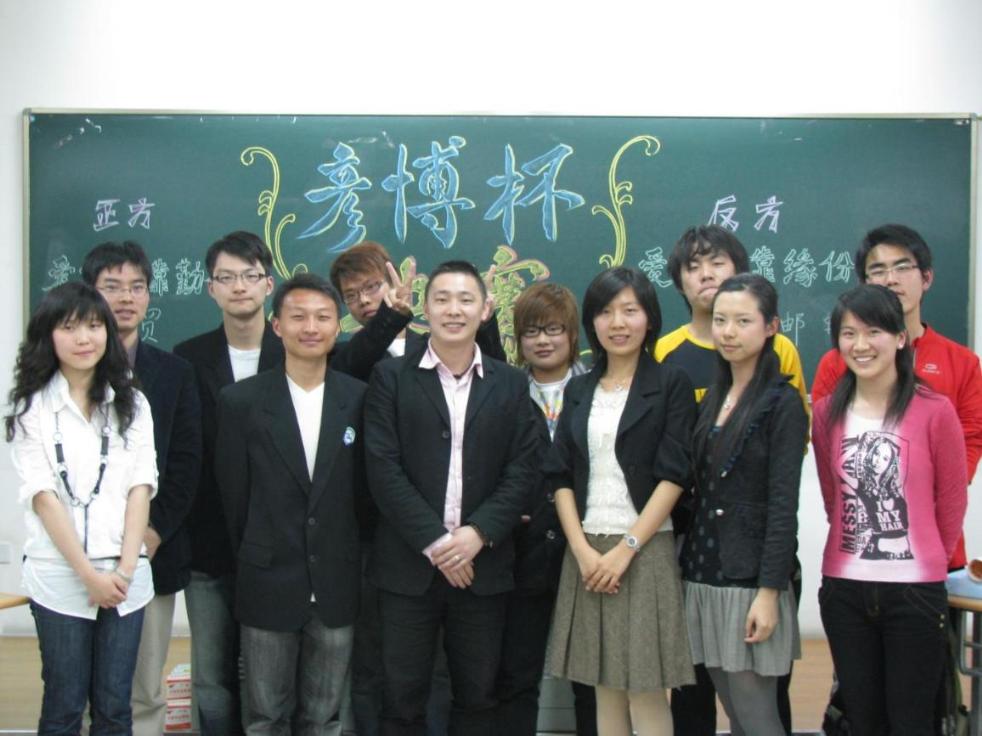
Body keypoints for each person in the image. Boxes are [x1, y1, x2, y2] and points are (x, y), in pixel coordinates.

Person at [364, 260, 539, 735]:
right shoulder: (390, 377)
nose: (453, 310)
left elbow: (522, 470)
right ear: (425, 309)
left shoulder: (511, 382)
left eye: (465, 299)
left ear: (485, 309)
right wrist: (440, 543)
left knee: (478, 697)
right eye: (442, 299)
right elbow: (382, 469)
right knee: (401, 700)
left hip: (482, 568)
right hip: (407, 569)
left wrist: (477, 534)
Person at [657, 224, 808, 735]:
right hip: (702, 570)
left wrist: (769, 590)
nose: (728, 332)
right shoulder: (714, 396)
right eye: (721, 320)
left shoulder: (780, 400)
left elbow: (782, 502)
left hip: (749, 577)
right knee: (728, 706)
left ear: (770, 328)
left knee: (757, 714)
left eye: (743, 321)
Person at [215, 273, 369, 735]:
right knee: (265, 717)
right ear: (277, 325)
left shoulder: (359, 399)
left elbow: (366, 497)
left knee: (324, 717)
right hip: (267, 579)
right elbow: (233, 498)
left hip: (337, 581)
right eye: (298, 316)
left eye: (323, 317)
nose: (311, 327)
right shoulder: (240, 402)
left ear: (338, 326)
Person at [545, 267, 696, 736]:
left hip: (644, 550)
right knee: (603, 686)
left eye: (630, 310)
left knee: (645, 689)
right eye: (606, 312)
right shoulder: (579, 388)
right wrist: (582, 550)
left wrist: (626, 549)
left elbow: (675, 474)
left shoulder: (670, 383)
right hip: (587, 551)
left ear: (650, 319)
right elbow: (560, 474)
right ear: (592, 322)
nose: (618, 323)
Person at [813, 284, 967, 735]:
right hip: (845, 590)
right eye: (848, 334)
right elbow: (833, 496)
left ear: (900, 338)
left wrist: (928, 562)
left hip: (915, 592)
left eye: (873, 332)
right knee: (863, 719)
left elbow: (951, 500)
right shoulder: (826, 413)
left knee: (911, 721)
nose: (860, 345)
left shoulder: (934, 410)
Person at [6, 282, 157, 734]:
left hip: (126, 578)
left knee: (115, 707)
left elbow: (140, 488)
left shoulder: (132, 402)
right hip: (60, 576)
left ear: (108, 332)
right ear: (48, 335)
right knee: (64, 705)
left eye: (93, 326)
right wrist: (89, 576)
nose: (84, 338)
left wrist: (123, 572)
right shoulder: (30, 408)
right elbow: (44, 497)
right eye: (69, 327)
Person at [82, 241, 202, 736]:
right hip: (80, 559)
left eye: (136, 287)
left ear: (150, 295)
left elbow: (185, 464)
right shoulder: (66, 371)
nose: (125, 298)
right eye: (112, 287)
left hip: (150, 556)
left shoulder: (174, 373)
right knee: (82, 687)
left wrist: (152, 535)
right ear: (89, 293)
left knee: (145, 691)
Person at [811, 224, 982, 571]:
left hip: (938, 548)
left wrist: (920, 502)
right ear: (864, 283)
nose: (890, 279)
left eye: (902, 267)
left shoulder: (962, 362)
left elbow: (971, 441)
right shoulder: (837, 362)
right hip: (860, 552)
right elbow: (828, 450)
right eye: (878, 270)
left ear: (927, 277)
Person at [174, 231, 280, 736]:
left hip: (279, 547)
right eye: (226, 277)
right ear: (210, 288)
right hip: (209, 546)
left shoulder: (295, 353)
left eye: (250, 276)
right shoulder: (187, 357)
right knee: (212, 679)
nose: (239, 286)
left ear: (268, 284)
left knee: (269, 682)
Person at [494, 283, 596, 736]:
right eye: (531, 331)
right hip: (522, 551)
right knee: (517, 673)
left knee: (591, 676)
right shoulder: (506, 391)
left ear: (572, 334)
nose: (542, 340)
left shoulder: (598, 388)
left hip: (588, 551)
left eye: (553, 329)